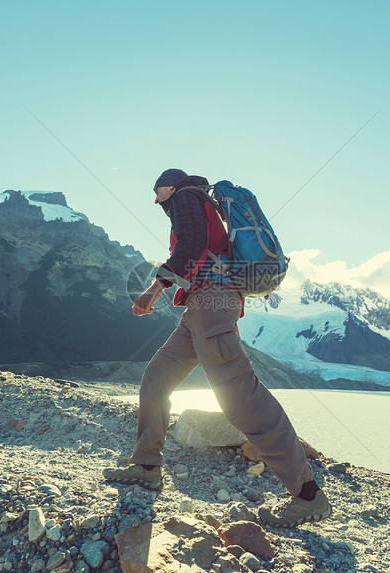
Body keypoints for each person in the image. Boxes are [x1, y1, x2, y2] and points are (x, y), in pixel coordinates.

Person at [102, 168, 332, 527]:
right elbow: (198, 247)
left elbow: (192, 245)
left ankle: (308, 495)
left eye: (157, 189)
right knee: (157, 376)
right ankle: (146, 466)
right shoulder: (196, 202)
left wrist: (154, 288)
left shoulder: (187, 199)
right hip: (200, 310)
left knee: (242, 398)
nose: (155, 198)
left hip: (211, 306)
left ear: (172, 185)